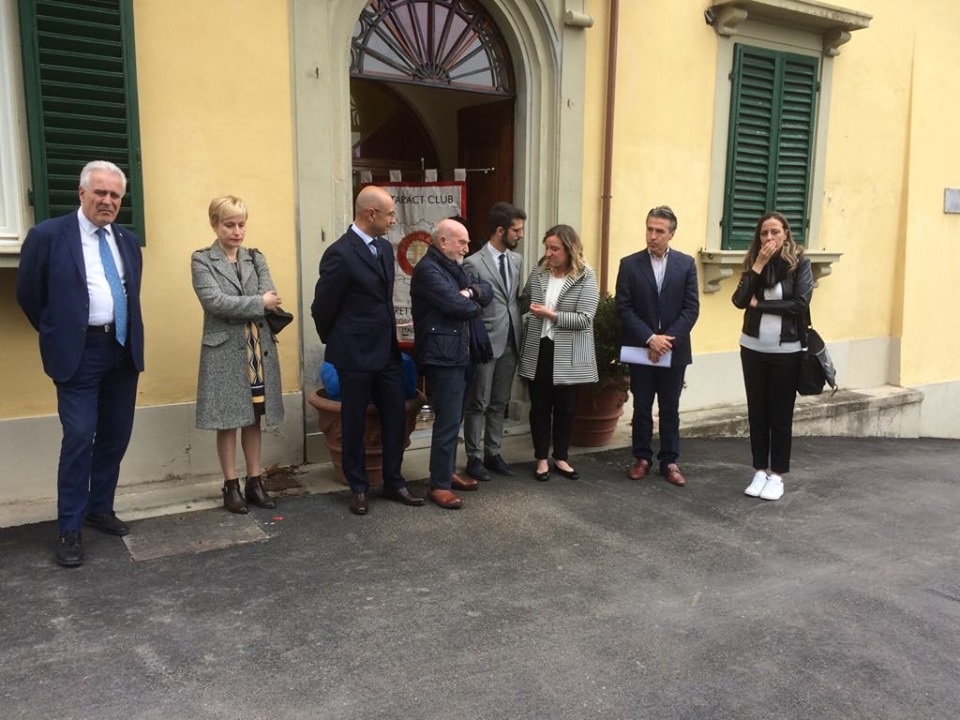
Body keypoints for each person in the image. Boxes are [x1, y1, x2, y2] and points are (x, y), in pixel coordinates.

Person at [16, 160, 145, 567]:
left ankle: (99, 507)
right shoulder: (48, 236)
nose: (107, 200)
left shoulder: (126, 240)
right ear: (82, 193)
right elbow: (29, 295)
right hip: (79, 352)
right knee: (78, 435)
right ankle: (69, 526)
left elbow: (130, 291)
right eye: (100, 192)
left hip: (121, 348)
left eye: (115, 195)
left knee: (115, 435)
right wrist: (60, 333)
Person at [311, 185, 424, 515]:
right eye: (389, 214)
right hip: (355, 353)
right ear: (370, 213)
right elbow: (322, 306)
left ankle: (393, 481)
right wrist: (338, 340)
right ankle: (358, 487)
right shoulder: (340, 253)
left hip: (386, 351)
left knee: (395, 416)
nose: (393, 220)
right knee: (354, 420)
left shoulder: (385, 249)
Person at [191, 196, 283, 514]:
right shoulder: (202, 260)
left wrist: (257, 302)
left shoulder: (255, 257)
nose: (237, 231)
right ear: (214, 224)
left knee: (253, 418)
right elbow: (215, 302)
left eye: (241, 224)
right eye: (229, 224)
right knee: (228, 420)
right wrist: (258, 302)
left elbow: (271, 296)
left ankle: (254, 482)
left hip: (258, 347)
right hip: (225, 352)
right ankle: (230, 485)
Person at [411, 218, 493, 509]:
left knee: (454, 418)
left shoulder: (453, 267)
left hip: (461, 352)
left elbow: (486, 291)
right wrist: (471, 299)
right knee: (447, 421)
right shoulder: (427, 270)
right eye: (462, 242)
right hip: (443, 356)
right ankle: (439, 485)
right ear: (442, 241)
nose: (467, 248)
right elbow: (458, 307)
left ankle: (445, 473)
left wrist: (470, 292)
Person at [731, 211, 813, 501]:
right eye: (764, 233)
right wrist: (758, 265)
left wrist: (760, 305)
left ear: (786, 234)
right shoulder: (755, 262)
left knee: (780, 416)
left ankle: (777, 475)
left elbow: (799, 303)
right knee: (757, 413)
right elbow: (739, 300)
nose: (769, 237)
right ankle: (759, 470)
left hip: (786, 351)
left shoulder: (800, 263)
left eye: (775, 232)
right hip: (752, 349)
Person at [616, 206, 700, 487]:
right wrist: (650, 338)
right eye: (649, 229)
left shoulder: (686, 264)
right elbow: (624, 308)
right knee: (642, 406)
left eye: (659, 231)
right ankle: (641, 458)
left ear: (671, 234)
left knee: (670, 407)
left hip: (674, 351)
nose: (652, 236)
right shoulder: (629, 264)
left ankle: (669, 461)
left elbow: (691, 308)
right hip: (641, 349)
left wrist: (665, 341)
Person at [518, 225, 599, 482]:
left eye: (554, 249)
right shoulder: (539, 271)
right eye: (547, 247)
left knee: (566, 407)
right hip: (539, 347)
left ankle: (561, 457)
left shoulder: (586, 275)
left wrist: (551, 315)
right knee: (539, 406)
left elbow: (585, 318)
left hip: (569, 351)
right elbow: (524, 300)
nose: (548, 253)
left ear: (569, 249)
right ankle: (541, 459)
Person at [462, 202, 526, 481]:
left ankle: (493, 452)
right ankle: (474, 457)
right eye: (516, 230)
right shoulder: (473, 262)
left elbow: (514, 299)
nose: (521, 235)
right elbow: (471, 304)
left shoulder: (517, 260)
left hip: (512, 339)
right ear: (500, 231)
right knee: (479, 401)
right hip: (485, 341)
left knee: (500, 401)